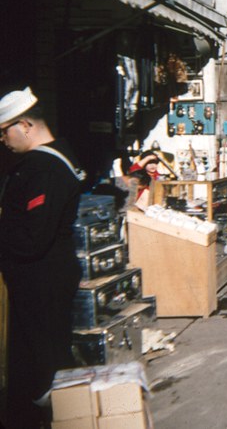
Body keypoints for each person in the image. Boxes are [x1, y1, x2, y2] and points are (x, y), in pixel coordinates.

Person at [0, 86, 87, 429]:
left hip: (39, 281)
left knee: (40, 371)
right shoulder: (57, 158)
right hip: (49, 278)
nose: (2, 140)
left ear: (25, 125)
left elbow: (31, 237)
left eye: (4, 131)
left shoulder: (41, 169)